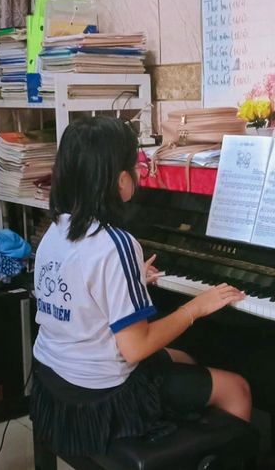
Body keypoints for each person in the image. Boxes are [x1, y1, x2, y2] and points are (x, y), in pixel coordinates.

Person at [30, 115, 252, 456]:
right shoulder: (115, 244)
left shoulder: (56, 229)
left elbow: (80, 290)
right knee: (237, 389)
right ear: (122, 180)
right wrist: (196, 307)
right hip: (103, 398)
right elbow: (135, 348)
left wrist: (130, 280)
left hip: (54, 380)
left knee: (184, 358)